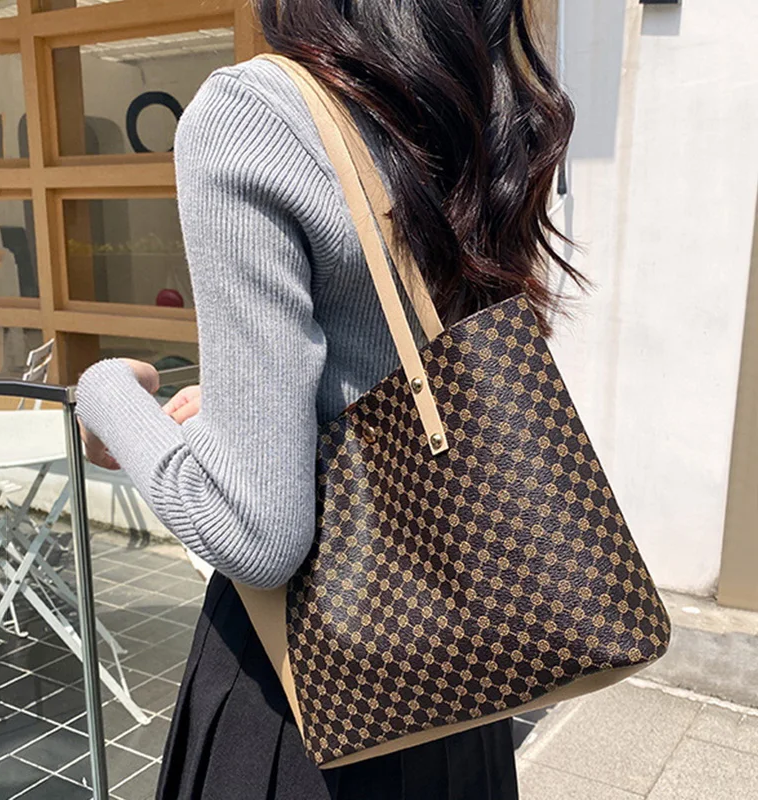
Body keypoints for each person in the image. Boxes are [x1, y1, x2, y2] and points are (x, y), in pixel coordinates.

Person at [76, 1, 579, 797]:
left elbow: (257, 534)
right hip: (465, 667)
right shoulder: (491, 107)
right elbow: (414, 368)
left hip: (312, 698)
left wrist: (105, 393)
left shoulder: (257, 111)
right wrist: (251, 410)